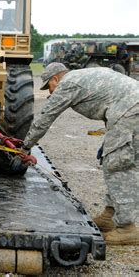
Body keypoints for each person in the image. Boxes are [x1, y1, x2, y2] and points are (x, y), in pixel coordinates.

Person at [22, 62, 138, 245]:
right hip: (130, 108)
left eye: (49, 87)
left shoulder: (68, 83)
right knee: (128, 163)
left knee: (117, 164)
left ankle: (127, 228)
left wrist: (25, 145)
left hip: (128, 110)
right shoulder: (82, 76)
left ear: (55, 78)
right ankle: (111, 215)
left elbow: (45, 117)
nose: (50, 92)